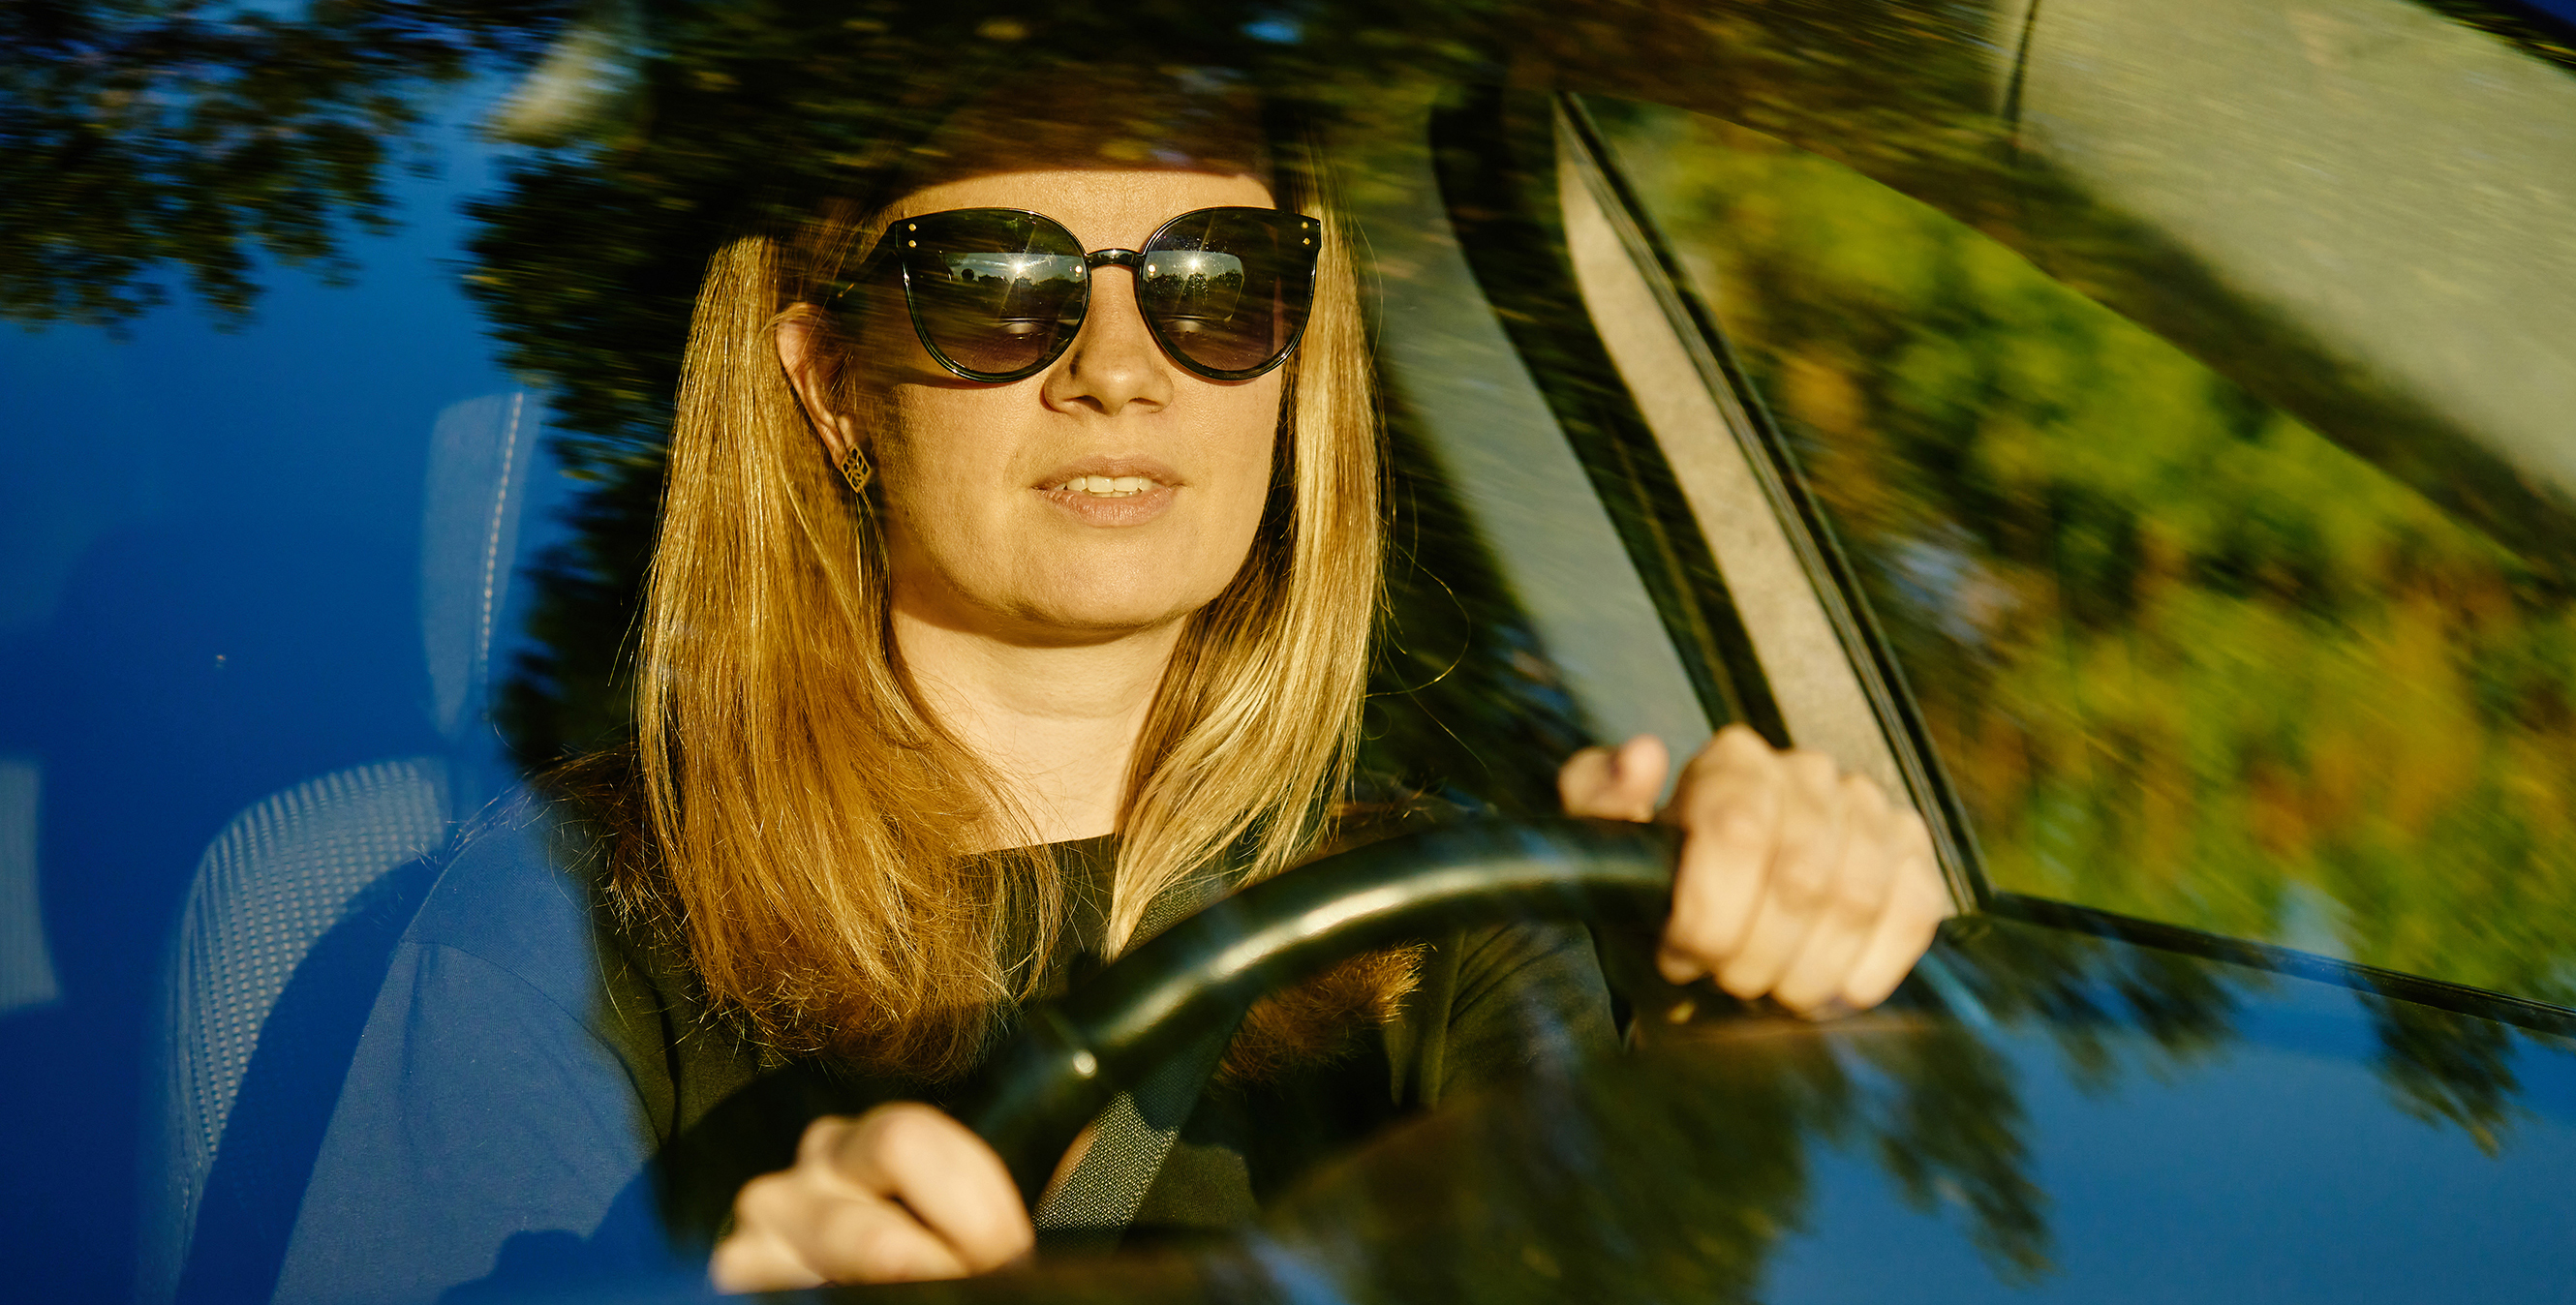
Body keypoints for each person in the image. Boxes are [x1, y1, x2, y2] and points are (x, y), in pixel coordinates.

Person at [274, 72, 1947, 1302]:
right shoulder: (572, 923)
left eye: (1223, 280)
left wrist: (1730, 1056)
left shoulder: (1447, 925)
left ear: (1294, 357)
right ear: (830, 387)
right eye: (996, 286)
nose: (1125, 367)